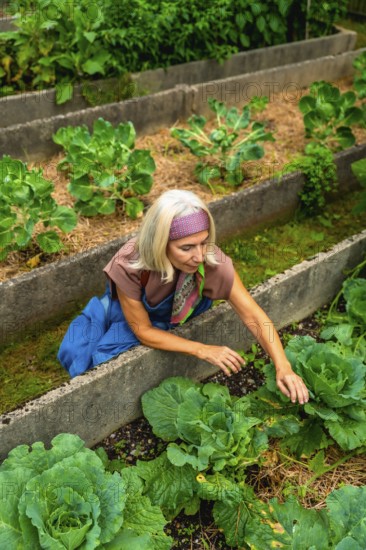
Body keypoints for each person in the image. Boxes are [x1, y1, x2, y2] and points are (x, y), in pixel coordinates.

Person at [58, 190, 309, 405]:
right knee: (74, 349)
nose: (199, 256)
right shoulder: (130, 263)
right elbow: (143, 331)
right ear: (160, 244)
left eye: (203, 242)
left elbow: (253, 314)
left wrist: (282, 365)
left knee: (105, 360)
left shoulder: (213, 262)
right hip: (130, 314)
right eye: (186, 248)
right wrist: (203, 349)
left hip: (174, 318)